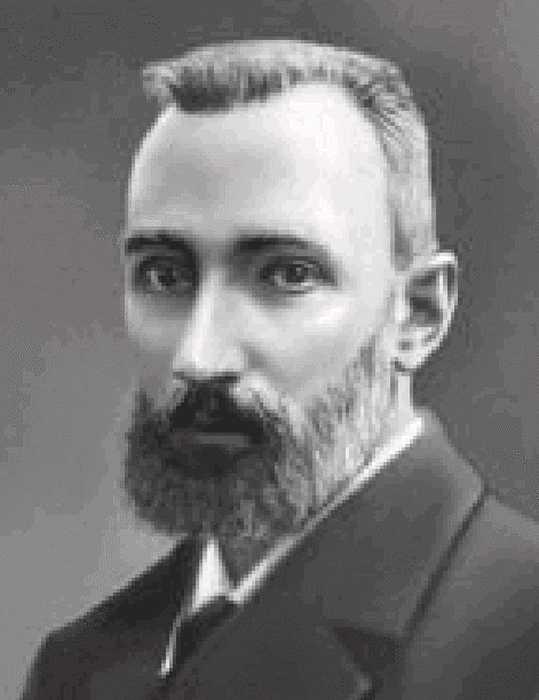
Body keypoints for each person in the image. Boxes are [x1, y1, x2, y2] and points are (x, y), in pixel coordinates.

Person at [21, 39, 539, 700]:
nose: (198, 358)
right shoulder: (82, 665)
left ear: (417, 315)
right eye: (164, 275)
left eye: (287, 275)